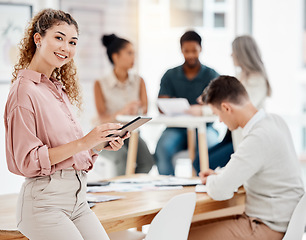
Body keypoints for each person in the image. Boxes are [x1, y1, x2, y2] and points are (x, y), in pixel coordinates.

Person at [4, 9, 128, 240]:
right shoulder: (24, 92)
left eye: (72, 42)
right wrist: (85, 141)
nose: (66, 47)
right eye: (59, 38)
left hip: (78, 201)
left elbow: (69, 153)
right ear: (38, 39)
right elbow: (27, 161)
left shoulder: (56, 90)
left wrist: (97, 146)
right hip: (44, 205)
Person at [188, 76, 304, 240]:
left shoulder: (258, 137)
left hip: (266, 226)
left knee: (182, 233)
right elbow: (251, 167)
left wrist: (213, 181)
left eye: (217, 114)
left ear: (226, 108)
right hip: (285, 222)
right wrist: (220, 176)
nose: (220, 121)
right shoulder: (275, 122)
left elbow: (220, 190)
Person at [193, 35, 272, 174]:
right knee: (199, 160)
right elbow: (224, 97)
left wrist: (201, 111)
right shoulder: (240, 76)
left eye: (233, 51)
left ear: (242, 54)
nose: (231, 55)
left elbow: (236, 105)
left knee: (205, 163)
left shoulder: (257, 80)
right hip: (231, 134)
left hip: (244, 137)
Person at [155, 30, 220, 176]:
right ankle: (168, 187)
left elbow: (219, 105)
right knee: (162, 148)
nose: (190, 55)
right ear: (181, 50)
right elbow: (161, 103)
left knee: (210, 147)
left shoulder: (212, 75)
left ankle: (203, 186)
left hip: (204, 128)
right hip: (176, 129)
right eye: (186, 51)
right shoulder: (170, 75)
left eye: (194, 51)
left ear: (201, 49)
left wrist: (202, 108)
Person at [93, 34, 154, 175]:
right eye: (129, 53)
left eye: (134, 53)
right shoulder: (100, 84)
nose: (134, 57)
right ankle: (119, 192)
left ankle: (133, 189)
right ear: (116, 57)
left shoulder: (140, 81)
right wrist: (123, 112)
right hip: (107, 135)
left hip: (131, 133)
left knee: (147, 161)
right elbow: (102, 118)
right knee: (122, 157)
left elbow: (145, 109)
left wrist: (137, 109)